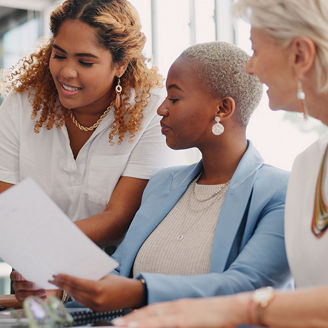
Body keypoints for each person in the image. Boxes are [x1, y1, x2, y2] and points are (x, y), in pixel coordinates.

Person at [114, 1, 328, 327]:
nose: (251, 68)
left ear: (300, 55)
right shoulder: (308, 166)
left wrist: (244, 310)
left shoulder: (280, 187)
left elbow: (251, 283)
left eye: (255, 50)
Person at [50, 41, 291, 312]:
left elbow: (248, 285)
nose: (161, 109)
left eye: (174, 98)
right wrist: (58, 292)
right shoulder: (163, 184)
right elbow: (118, 279)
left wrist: (141, 291)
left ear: (223, 108)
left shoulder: (281, 192)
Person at [1, 0, 176, 304]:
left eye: (86, 62)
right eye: (59, 55)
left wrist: (46, 258)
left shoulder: (151, 111)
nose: (67, 72)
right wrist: (32, 267)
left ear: (120, 64)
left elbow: (119, 217)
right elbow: (7, 201)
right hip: (37, 279)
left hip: (119, 288)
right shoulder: (21, 104)